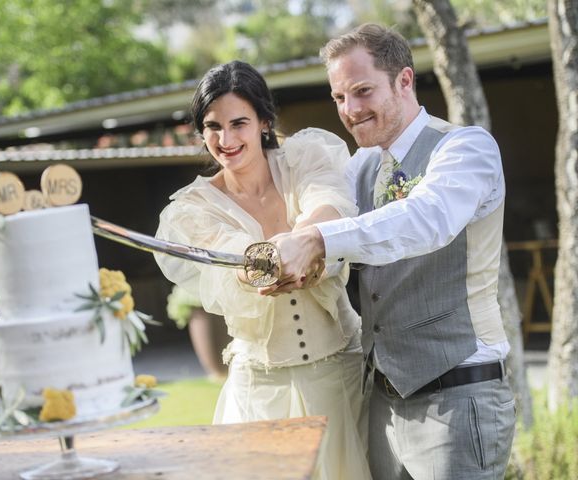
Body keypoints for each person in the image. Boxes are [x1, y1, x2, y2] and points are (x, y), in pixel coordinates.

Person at [263, 24, 516, 479]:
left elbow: (427, 219)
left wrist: (320, 240)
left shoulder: (464, 148)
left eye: (362, 91)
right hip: (379, 400)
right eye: (340, 97)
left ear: (404, 80)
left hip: (457, 395)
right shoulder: (359, 167)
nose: (350, 110)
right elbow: (331, 227)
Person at [154, 60, 371, 480]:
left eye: (239, 123)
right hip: (261, 386)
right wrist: (263, 266)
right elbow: (228, 259)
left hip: (342, 375)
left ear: (264, 122)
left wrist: (302, 244)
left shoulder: (305, 157)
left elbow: (327, 202)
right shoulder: (192, 209)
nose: (227, 138)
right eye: (213, 126)